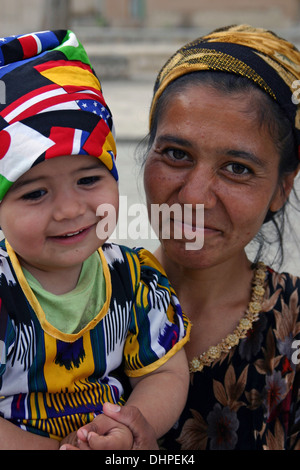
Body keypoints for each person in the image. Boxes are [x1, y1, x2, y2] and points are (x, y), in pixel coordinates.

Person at [99, 24, 300, 450]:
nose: (193, 195)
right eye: (176, 154)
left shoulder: (292, 331)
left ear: (283, 187)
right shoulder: (59, 297)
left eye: (238, 168)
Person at [0, 29, 190, 450]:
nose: (69, 210)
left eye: (89, 179)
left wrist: (134, 426)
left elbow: (165, 372)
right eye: (34, 193)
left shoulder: (136, 277)